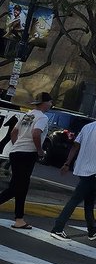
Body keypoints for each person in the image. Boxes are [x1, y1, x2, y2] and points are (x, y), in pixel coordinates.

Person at [50, 104, 96, 241]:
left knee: (89, 200)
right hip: (94, 170)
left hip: (81, 167)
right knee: (75, 199)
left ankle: (92, 229)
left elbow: (75, 145)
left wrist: (67, 163)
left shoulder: (87, 127)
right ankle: (57, 228)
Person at [0, 93, 52, 228]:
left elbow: (13, 132)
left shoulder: (27, 114)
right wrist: (40, 151)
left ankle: (19, 219)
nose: (51, 104)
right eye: (50, 102)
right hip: (28, 154)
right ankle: (19, 218)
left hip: (16, 152)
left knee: (21, 187)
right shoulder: (42, 117)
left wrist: (17, 144)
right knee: (16, 187)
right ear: (44, 103)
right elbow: (36, 133)